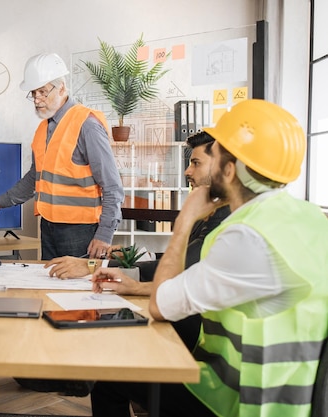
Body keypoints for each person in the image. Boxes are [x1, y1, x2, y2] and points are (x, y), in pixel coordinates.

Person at [90, 99, 328, 417]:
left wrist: (184, 222)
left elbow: (162, 305)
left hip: (239, 400)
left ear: (230, 170)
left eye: (213, 154)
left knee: (110, 380)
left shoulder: (247, 236)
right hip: (294, 392)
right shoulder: (307, 217)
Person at [46, 131, 231, 350]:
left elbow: (183, 265)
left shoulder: (224, 216)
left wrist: (92, 265)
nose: (187, 171)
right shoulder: (215, 209)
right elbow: (185, 257)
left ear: (224, 168)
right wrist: (137, 256)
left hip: (192, 341)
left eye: (196, 163)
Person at [0, 52, 124, 260]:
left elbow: (112, 186)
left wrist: (104, 234)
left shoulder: (87, 125)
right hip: (48, 226)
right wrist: (2, 200)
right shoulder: (44, 128)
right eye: (33, 93)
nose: (37, 99)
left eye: (43, 91)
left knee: (76, 290)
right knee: (49, 286)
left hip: (80, 231)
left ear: (62, 88)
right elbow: (35, 177)